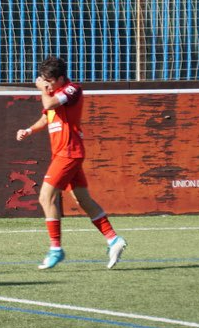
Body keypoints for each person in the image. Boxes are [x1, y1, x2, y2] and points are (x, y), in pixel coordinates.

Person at [16, 55, 126, 270]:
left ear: (60, 78)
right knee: (82, 199)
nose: (47, 83)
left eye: (50, 80)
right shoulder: (53, 91)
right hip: (62, 153)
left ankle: (56, 249)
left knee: (45, 197)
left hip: (69, 152)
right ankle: (113, 239)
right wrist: (29, 130)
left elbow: (49, 102)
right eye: (44, 79)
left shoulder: (71, 89)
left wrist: (41, 89)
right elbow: (47, 115)